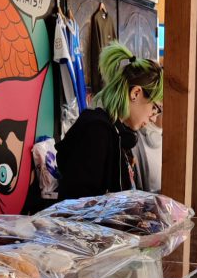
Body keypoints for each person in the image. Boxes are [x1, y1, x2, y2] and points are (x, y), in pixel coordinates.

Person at [56, 42, 162, 201]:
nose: (153, 117)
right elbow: (82, 208)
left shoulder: (116, 133)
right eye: (154, 108)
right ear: (136, 93)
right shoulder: (97, 132)